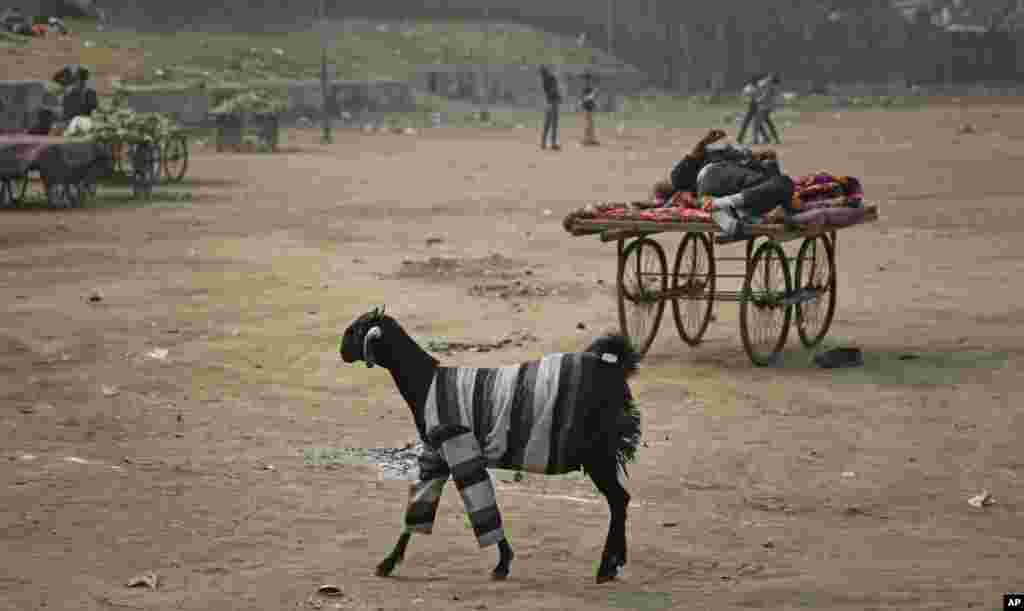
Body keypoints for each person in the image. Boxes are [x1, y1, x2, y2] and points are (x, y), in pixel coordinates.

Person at [667, 128, 795, 239]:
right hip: (718, 178)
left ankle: (730, 211)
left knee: (777, 186)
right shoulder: (715, 157)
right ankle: (725, 208)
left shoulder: (734, 157)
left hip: (735, 192)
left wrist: (768, 161)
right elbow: (677, 178)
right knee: (784, 183)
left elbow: (768, 184)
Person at [737, 73, 770, 145]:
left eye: (756, 81)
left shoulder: (758, 86)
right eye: (755, 81)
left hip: (758, 106)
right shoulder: (748, 88)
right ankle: (740, 138)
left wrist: (769, 77)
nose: (756, 82)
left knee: (757, 124)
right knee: (746, 123)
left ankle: (766, 138)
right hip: (751, 106)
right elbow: (743, 97)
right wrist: (748, 100)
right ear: (752, 81)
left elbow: (765, 82)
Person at [751, 73, 782, 145]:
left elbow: (765, 95)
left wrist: (758, 100)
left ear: (771, 79)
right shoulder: (773, 86)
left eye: (769, 78)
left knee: (756, 123)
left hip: (764, 107)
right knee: (768, 123)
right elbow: (761, 86)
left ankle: (755, 140)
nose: (767, 78)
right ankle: (776, 139)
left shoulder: (770, 86)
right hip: (768, 107)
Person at [539, 65, 561, 151]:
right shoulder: (550, 79)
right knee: (554, 124)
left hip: (548, 103)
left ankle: (543, 143)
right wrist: (558, 96)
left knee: (547, 124)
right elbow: (554, 91)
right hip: (553, 103)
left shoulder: (544, 80)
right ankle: (553, 143)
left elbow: (552, 90)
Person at [579, 72, 599, 146]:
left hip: (589, 108)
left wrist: (594, 103)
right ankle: (586, 140)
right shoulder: (585, 88)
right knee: (588, 124)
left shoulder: (589, 88)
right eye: (588, 79)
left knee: (591, 124)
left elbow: (590, 99)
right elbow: (584, 99)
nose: (589, 81)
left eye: (589, 79)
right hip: (586, 108)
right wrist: (593, 94)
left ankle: (592, 139)